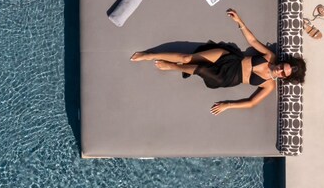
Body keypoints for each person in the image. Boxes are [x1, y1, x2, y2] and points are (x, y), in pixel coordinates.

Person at [130, 8, 306, 115]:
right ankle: (150, 55)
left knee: (200, 69)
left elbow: (252, 102)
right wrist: (240, 22)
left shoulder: (269, 85)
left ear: (283, 78)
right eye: (283, 67)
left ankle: (172, 67)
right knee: (187, 58)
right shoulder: (270, 57)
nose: (280, 71)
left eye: (283, 74)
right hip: (230, 59)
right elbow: (253, 42)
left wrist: (227, 105)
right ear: (282, 62)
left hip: (227, 78)